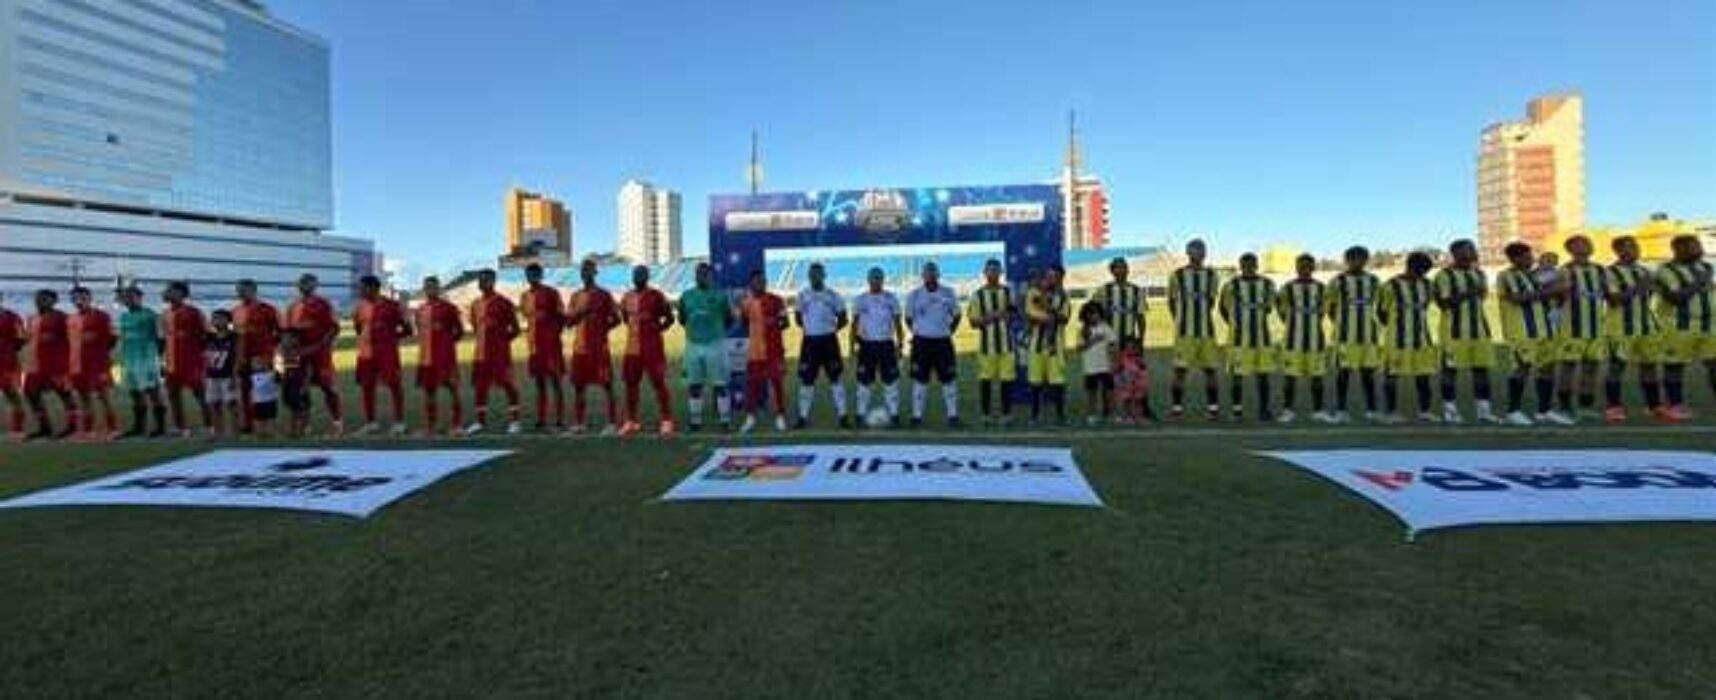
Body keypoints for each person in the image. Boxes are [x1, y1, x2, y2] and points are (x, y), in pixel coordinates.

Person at [1497, 242, 1571, 425]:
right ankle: (1513, 411)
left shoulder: (1536, 276)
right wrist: (1553, 290)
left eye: (1531, 256)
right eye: (1526, 257)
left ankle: (1543, 411)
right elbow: (1518, 298)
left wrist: (1560, 290)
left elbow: (1556, 295)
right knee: (1523, 368)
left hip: (1545, 330)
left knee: (1547, 369)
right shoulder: (1507, 275)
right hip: (1522, 331)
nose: (1531, 259)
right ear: (1514, 259)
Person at [1432, 239, 1499, 423]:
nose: (1473, 251)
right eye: (1469, 249)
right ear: (1456, 253)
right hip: (1454, 332)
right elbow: (1443, 303)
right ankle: (1450, 410)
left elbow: (1482, 298)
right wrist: (1468, 292)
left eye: (1473, 248)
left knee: (1481, 370)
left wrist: (1474, 293)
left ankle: (1484, 410)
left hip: (1480, 331)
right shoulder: (1444, 275)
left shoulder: (1479, 273)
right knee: (1450, 371)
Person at [1601, 235, 1664, 421]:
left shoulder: (1643, 271)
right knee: (1616, 367)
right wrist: (1639, 286)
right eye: (1631, 247)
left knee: (1650, 366)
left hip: (1647, 327)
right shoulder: (1609, 272)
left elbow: (1649, 296)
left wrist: (1650, 287)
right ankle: (1613, 408)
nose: (1637, 250)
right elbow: (1613, 300)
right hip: (1620, 327)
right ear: (1619, 250)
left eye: (1637, 246)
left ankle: (1653, 406)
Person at [1655, 234, 1715, 422]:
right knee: (1675, 366)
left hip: (1709, 325)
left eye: (1698, 245)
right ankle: (1675, 405)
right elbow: (1676, 298)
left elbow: (1709, 292)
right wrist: (1700, 281)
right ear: (1679, 249)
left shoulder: (1705, 267)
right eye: (1694, 246)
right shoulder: (1666, 270)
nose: (1700, 250)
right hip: (1677, 326)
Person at [1377, 252, 1439, 423]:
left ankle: (1424, 410)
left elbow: (1425, 307)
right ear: (1410, 266)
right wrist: (1396, 325)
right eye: (1420, 270)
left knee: (1423, 375)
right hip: (1396, 339)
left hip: (1422, 338)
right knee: (1392, 376)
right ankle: (1391, 412)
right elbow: (1381, 313)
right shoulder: (1390, 286)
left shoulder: (1428, 285)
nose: (1423, 274)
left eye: (1425, 270)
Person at [1325, 246, 1383, 422]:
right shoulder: (1338, 281)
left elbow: (1379, 305)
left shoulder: (1374, 280)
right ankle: (1342, 411)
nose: (1357, 262)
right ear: (1347, 260)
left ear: (1366, 260)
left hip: (1368, 335)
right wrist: (1342, 323)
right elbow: (1331, 307)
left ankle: (1371, 409)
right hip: (1345, 336)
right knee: (1343, 373)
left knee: (1368, 374)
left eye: (1361, 258)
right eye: (1353, 259)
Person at [1168, 238, 1223, 420]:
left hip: (1206, 332)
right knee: (1180, 371)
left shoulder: (1212, 276)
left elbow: (1212, 302)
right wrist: (1181, 320)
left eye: (1201, 250)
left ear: (1205, 253)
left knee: (1210, 370)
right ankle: (1176, 409)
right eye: (1194, 250)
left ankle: (1213, 409)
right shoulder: (1177, 275)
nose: (1197, 254)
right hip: (1185, 333)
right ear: (1188, 253)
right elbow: (1172, 302)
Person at [618, 265, 676, 437]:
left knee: (658, 383)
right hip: (632, 348)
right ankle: (632, 421)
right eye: (636, 274)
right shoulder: (627, 297)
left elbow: (670, 318)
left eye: (642, 274)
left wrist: (657, 329)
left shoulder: (656, 295)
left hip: (652, 348)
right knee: (631, 385)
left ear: (647, 277)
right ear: (632, 277)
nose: (639, 277)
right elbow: (624, 318)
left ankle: (667, 420)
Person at [1218, 253, 1277, 421]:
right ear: (1240, 266)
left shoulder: (1267, 284)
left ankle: (1264, 410)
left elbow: (1269, 308)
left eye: (1252, 264)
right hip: (1238, 339)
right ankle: (1237, 411)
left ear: (1257, 265)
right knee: (1237, 376)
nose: (1249, 267)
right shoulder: (1231, 285)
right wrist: (1234, 325)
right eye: (1245, 264)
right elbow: (1222, 308)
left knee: (1263, 375)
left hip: (1261, 339)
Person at [1276, 254, 1333, 423]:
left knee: (1317, 377)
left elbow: (1324, 311)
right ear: (1296, 267)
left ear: (1313, 267)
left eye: (1308, 265)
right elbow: (1281, 312)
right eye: (1301, 265)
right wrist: (1294, 324)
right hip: (1293, 340)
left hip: (1316, 340)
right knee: (1290, 377)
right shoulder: (1287, 288)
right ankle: (1288, 411)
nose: (1305, 269)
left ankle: (1318, 410)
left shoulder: (1322, 288)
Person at [465, 269, 523, 435]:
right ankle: (480, 422)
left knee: (507, 384)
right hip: (480, 353)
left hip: (499, 353)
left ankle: (515, 421)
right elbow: (477, 328)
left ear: (492, 281)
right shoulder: (475, 304)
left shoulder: (503, 302)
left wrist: (502, 343)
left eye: (484, 280)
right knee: (480, 387)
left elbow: (516, 329)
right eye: (479, 280)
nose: (481, 283)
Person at [678, 262, 734, 432]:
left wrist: (714, 331)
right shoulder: (686, 295)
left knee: (720, 384)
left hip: (715, 344)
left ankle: (725, 421)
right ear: (695, 276)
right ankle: (695, 422)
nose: (701, 276)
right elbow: (682, 318)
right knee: (694, 385)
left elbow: (728, 319)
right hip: (693, 345)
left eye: (705, 273)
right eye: (699, 273)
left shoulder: (720, 295)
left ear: (710, 276)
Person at [353, 275, 412, 436]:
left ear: (373, 288)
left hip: (386, 353)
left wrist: (390, 338)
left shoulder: (392, 306)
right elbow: (358, 328)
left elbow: (408, 330)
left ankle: (400, 422)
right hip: (365, 353)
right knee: (367, 387)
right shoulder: (360, 307)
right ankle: (371, 423)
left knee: (394, 385)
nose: (360, 291)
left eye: (362, 287)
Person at [285, 273, 344, 435]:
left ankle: (337, 423)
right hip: (298, 355)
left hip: (320, 354)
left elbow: (334, 329)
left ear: (315, 284)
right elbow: (288, 333)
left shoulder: (323, 304)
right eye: (300, 283)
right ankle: (304, 424)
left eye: (307, 283)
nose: (303, 286)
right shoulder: (293, 306)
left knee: (328, 387)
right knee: (299, 389)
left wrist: (319, 346)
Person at [1557, 235, 1608, 420]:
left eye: (1588, 243)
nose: (1586, 246)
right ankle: (1564, 406)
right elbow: (1558, 298)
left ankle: (1585, 406)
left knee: (1591, 367)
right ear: (1570, 249)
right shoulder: (1565, 270)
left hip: (1595, 327)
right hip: (1572, 327)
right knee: (1568, 366)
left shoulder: (1600, 269)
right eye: (1581, 244)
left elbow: (1607, 294)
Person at [567, 258, 621, 434]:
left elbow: (617, 319)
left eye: (589, 270)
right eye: (583, 271)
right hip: (580, 348)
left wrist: (602, 329)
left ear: (595, 273)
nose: (586, 274)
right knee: (579, 386)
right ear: (580, 274)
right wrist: (580, 314)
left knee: (607, 384)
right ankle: (580, 422)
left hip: (599, 347)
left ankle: (612, 423)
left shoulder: (604, 295)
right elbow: (568, 322)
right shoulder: (575, 296)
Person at [794, 262, 850, 429]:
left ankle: (843, 416)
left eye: (818, 274)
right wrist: (811, 329)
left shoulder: (833, 295)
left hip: (829, 342)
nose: (815, 277)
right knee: (806, 380)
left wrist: (829, 330)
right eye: (812, 274)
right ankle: (803, 418)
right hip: (810, 343)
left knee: (835, 379)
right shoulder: (803, 295)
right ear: (809, 276)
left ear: (824, 275)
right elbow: (798, 318)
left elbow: (843, 318)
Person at [906, 261, 962, 427]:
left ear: (938, 275)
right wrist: (919, 332)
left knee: (949, 380)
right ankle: (916, 416)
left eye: (933, 273)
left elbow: (957, 315)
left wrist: (948, 331)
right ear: (923, 276)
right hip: (921, 343)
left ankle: (952, 416)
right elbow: (908, 318)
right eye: (927, 273)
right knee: (919, 380)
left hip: (943, 342)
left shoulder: (948, 292)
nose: (930, 276)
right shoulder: (914, 295)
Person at [850, 267, 904, 425]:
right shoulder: (860, 299)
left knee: (891, 381)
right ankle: (860, 414)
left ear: (883, 280)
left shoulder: (891, 298)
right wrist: (851, 346)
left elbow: (898, 323)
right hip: (866, 346)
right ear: (868, 280)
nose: (876, 281)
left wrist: (900, 344)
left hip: (887, 345)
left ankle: (894, 415)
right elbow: (854, 325)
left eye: (878, 278)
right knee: (864, 382)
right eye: (873, 278)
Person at [739, 269, 789, 433]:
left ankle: (780, 416)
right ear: (751, 283)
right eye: (757, 281)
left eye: (762, 280)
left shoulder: (776, 300)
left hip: (774, 350)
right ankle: (750, 417)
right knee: (752, 385)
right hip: (755, 351)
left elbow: (785, 323)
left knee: (776, 384)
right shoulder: (746, 302)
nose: (760, 283)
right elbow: (744, 323)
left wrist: (773, 322)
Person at [966, 258, 1016, 425]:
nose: (993, 274)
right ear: (985, 273)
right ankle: (985, 414)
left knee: (1006, 381)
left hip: (1006, 345)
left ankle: (1006, 414)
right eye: (990, 270)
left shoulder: (1008, 293)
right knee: (986, 380)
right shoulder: (978, 295)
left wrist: (1007, 316)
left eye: (996, 270)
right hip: (987, 347)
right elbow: (973, 322)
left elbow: (1014, 315)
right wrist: (993, 316)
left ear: (1001, 273)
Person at [414, 276, 466, 437]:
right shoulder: (420, 310)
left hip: (445, 358)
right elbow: (420, 332)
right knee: (429, 393)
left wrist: (447, 345)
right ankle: (431, 427)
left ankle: (457, 425)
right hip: (425, 358)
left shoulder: (449, 308)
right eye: (427, 287)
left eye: (433, 287)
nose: (430, 290)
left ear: (439, 288)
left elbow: (459, 331)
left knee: (453, 389)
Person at [22, 289, 76, 440]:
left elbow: (73, 339)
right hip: (34, 365)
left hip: (56, 365)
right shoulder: (31, 318)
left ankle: (72, 426)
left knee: (64, 394)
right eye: (38, 298)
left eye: (44, 299)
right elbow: (29, 339)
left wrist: (69, 363)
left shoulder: (62, 318)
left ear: (54, 301)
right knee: (31, 394)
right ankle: (45, 427)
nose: (39, 301)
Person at [519, 263, 567, 431]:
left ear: (541, 275)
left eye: (534, 274)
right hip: (534, 347)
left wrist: (554, 335)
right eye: (529, 274)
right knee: (540, 384)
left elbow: (562, 316)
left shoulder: (551, 293)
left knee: (555, 382)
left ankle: (560, 419)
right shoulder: (524, 296)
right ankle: (542, 418)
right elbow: (527, 318)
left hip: (551, 346)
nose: (531, 277)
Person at [161, 281, 211, 437]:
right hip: (171, 363)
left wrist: (200, 357)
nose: (165, 293)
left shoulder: (194, 313)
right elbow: (164, 339)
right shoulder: (165, 314)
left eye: (169, 291)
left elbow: (206, 336)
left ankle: (210, 426)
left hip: (192, 362)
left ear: (180, 293)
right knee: (173, 395)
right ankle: (180, 428)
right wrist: (163, 361)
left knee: (201, 395)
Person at [115, 286, 166, 438]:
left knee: (153, 392)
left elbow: (161, 339)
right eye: (125, 297)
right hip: (129, 359)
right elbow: (123, 338)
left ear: (140, 297)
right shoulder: (124, 316)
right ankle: (139, 426)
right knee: (135, 393)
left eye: (131, 296)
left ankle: (160, 427)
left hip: (147, 359)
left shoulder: (150, 315)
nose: (128, 300)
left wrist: (158, 358)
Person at [68, 286, 118, 439]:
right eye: (75, 298)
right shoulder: (70, 319)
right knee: (84, 398)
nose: (79, 301)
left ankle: (113, 429)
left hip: (98, 365)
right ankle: (89, 430)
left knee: (104, 397)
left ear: (89, 298)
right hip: (77, 364)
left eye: (82, 297)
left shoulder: (102, 316)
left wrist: (101, 355)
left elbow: (112, 339)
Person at [231, 279, 280, 435]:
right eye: (238, 290)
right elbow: (236, 336)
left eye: (242, 290)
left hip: (262, 359)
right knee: (244, 392)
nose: (239, 293)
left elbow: (281, 333)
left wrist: (269, 352)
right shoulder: (235, 311)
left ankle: (268, 424)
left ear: (253, 290)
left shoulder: (268, 309)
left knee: (264, 392)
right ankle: (248, 425)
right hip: (242, 357)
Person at [1025, 265, 1071, 425]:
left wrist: (1047, 307)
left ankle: (1060, 415)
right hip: (1036, 346)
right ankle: (1034, 415)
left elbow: (1065, 319)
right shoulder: (1033, 293)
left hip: (1055, 347)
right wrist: (1050, 316)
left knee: (1058, 382)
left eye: (1055, 276)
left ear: (1061, 278)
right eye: (1049, 275)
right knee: (1035, 382)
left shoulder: (1064, 297)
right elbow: (1030, 317)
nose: (1051, 279)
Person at [1076, 302, 1117, 425]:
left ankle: (1109, 414)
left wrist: (1114, 360)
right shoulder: (1083, 330)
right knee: (1091, 392)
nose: (1093, 316)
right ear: (1085, 315)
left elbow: (1113, 344)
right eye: (1090, 313)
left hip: (1105, 365)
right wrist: (1092, 340)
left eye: (1095, 313)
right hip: (1090, 367)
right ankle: (1091, 414)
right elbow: (1079, 348)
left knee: (1109, 391)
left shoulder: (1106, 328)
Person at [1093, 257, 1147, 346]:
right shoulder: (1103, 290)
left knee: (1128, 360)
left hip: (1129, 339)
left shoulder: (1137, 291)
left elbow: (1140, 317)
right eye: (1117, 268)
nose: (1121, 270)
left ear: (1128, 270)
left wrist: (1141, 338)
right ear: (1112, 271)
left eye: (1123, 267)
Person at [203, 310, 239, 439]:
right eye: (214, 318)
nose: (216, 321)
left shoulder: (234, 337)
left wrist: (235, 376)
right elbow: (205, 356)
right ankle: (218, 432)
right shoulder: (209, 337)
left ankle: (235, 433)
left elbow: (237, 357)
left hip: (227, 375)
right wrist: (204, 375)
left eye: (219, 318)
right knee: (214, 404)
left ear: (228, 320)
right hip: (211, 375)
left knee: (231, 404)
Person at [0, 294, 26, 439]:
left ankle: (18, 428)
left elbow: (21, 338)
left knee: (12, 395)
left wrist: (9, 350)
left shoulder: (12, 317)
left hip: (8, 364)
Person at [1113, 340, 1155, 424]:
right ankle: (1128, 416)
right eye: (1128, 348)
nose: (1130, 350)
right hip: (1126, 382)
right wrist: (1119, 380)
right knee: (1127, 400)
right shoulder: (1122, 358)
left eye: (1132, 348)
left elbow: (1143, 370)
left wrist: (1144, 382)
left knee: (1138, 401)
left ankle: (1138, 416)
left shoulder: (1138, 359)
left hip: (1137, 382)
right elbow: (1117, 370)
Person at [278, 329, 311, 438]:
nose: (286, 340)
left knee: (304, 408)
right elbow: (279, 370)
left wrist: (305, 385)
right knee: (294, 409)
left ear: (296, 339)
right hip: (288, 385)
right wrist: (282, 383)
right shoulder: (280, 352)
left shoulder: (301, 351)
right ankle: (293, 430)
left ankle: (302, 430)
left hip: (300, 384)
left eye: (289, 337)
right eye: (284, 338)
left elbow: (308, 369)